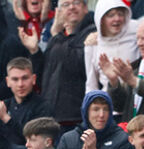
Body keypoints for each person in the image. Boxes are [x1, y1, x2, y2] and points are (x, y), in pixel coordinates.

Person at [21, 0, 95, 129]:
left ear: (85, 8)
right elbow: (42, 77)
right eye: (66, 4)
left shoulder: (93, 34)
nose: (71, 7)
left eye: (76, 3)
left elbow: (79, 64)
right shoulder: (56, 39)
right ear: (58, 12)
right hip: (51, 118)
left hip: (77, 119)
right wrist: (35, 52)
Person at [84, 0, 139, 94]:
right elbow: (91, 85)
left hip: (135, 95)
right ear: (101, 19)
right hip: (110, 100)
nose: (117, 19)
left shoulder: (136, 29)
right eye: (111, 15)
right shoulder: (92, 44)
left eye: (120, 14)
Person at [0, 57, 53, 146]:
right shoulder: (4, 106)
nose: (20, 84)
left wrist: (7, 119)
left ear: (33, 79)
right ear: (7, 81)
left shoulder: (43, 107)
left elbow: (35, 141)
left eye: (25, 78)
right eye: (15, 79)